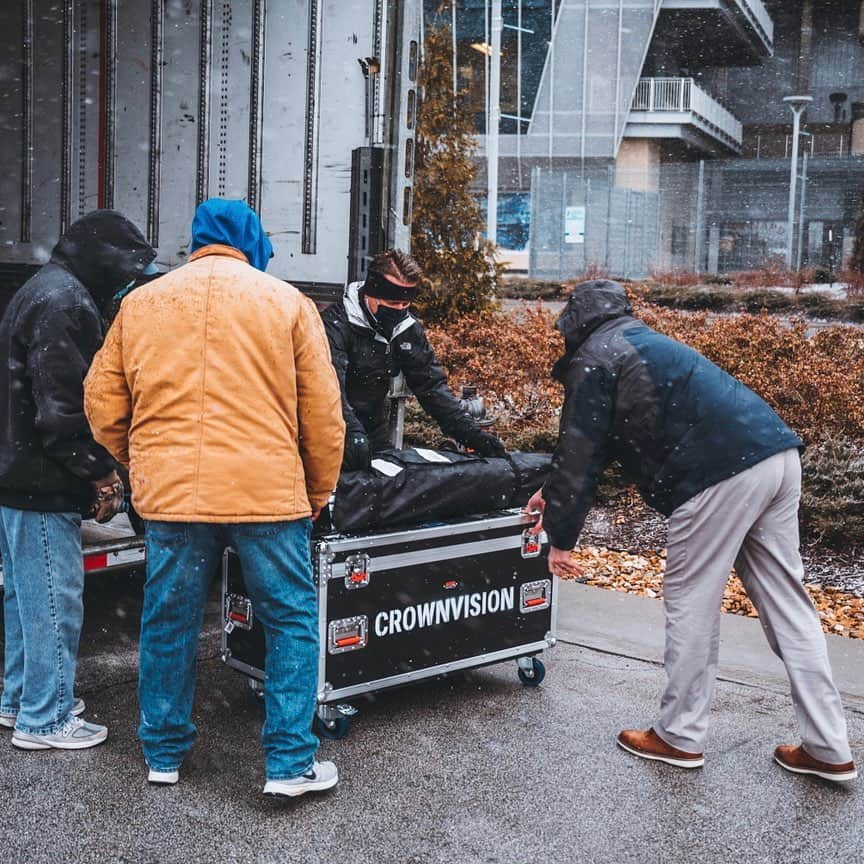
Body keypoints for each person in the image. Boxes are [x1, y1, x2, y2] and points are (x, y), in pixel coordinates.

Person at [527, 279, 856, 783]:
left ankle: (679, 737)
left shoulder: (595, 358)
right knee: (789, 605)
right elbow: (605, 447)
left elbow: (580, 453)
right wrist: (552, 496)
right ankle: (830, 747)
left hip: (715, 474)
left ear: (573, 322)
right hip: (776, 455)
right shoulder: (643, 344)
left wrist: (560, 539)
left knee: (691, 601)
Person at [84, 198, 345, 797]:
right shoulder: (287, 304)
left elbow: (102, 405)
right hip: (268, 496)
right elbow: (324, 417)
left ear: (196, 240)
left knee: (169, 621)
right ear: (251, 241)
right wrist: (318, 488)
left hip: (173, 498)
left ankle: (164, 753)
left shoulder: (141, 304)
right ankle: (287, 763)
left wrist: (140, 462)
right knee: (291, 621)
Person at [0, 210, 156, 750]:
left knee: (24, 599)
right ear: (104, 260)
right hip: (42, 482)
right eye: (128, 270)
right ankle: (46, 719)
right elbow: (63, 414)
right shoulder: (67, 304)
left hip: (17, 474)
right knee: (52, 600)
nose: (129, 283)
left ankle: (19, 698)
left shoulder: (44, 288)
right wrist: (102, 472)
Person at [322, 249, 505, 470]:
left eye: (404, 305)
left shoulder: (406, 329)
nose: (399, 310)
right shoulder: (335, 325)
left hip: (374, 434)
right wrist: (351, 432)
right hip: (330, 433)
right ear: (370, 294)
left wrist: (471, 434)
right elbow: (329, 391)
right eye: (392, 303)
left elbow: (431, 387)